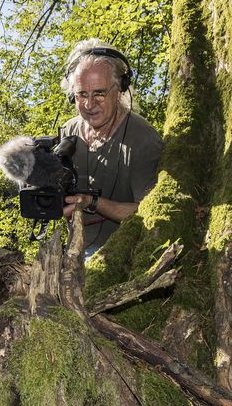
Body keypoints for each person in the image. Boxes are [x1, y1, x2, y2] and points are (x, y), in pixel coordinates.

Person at [60, 39, 163, 257]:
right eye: (81, 94)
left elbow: (150, 212)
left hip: (122, 255)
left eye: (99, 93)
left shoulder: (142, 138)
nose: (89, 104)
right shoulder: (68, 131)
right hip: (72, 249)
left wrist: (92, 202)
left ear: (120, 91)